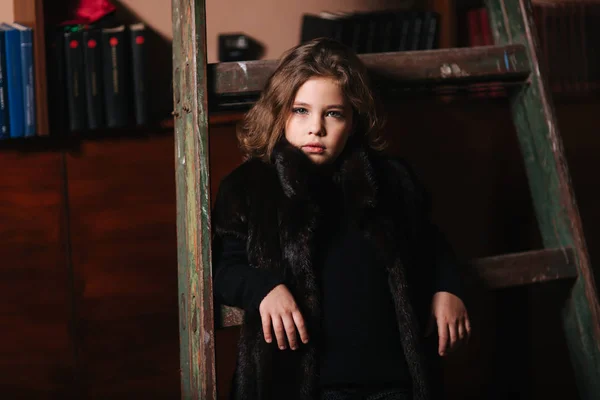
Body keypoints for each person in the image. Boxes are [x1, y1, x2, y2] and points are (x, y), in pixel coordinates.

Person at [211, 37, 471, 400]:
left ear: (353, 120)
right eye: (300, 110)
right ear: (279, 111)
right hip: (303, 387)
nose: (316, 127)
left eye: (333, 113)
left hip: (395, 383)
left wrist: (448, 286)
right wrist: (262, 289)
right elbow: (223, 269)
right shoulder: (251, 187)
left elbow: (431, 243)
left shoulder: (392, 181)